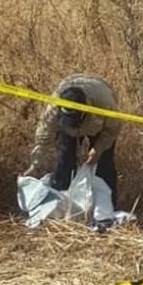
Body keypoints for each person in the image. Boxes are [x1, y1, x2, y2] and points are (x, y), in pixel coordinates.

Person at [28, 74, 121, 205]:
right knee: (64, 162)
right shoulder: (55, 106)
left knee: (104, 166)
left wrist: (97, 150)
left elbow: (112, 130)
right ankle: (61, 205)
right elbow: (44, 135)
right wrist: (35, 165)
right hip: (67, 130)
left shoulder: (105, 103)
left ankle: (106, 209)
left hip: (98, 127)